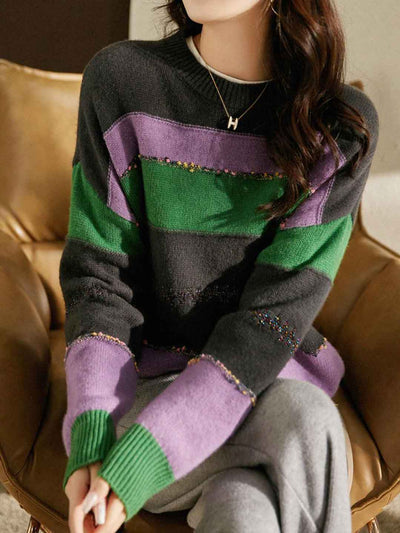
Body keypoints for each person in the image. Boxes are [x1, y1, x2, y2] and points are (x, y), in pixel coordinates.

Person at [59, 0, 379, 532]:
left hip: (263, 386)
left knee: (247, 509)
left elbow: (270, 322)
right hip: (140, 396)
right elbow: (99, 281)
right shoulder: (121, 82)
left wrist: (144, 463)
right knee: (309, 424)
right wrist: (96, 439)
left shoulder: (338, 127)